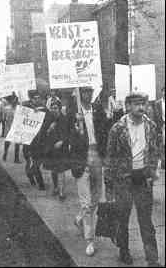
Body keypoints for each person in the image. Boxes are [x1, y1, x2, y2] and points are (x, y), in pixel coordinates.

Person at [104, 92, 162, 267]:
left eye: (143, 103)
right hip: (124, 180)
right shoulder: (117, 128)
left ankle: (152, 259)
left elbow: (155, 149)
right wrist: (109, 185)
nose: (141, 107)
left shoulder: (150, 125)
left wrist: (153, 170)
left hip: (143, 180)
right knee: (123, 219)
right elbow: (110, 157)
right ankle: (124, 251)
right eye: (136, 104)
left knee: (146, 221)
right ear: (128, 106)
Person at [69, 86, 110, 256]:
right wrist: (74, 125)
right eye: (85, 92)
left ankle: (80, 219)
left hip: (97, 157)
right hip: (81, 159)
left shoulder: (98, 110)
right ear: (79, 93)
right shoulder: (72, 113)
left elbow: (105, 132)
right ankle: (90, 240)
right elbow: (65, 137)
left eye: (90, 92)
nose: (88, 94)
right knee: (86, 203)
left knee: (95, 198)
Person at [22, 90, 52, 191]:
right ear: (31, 99)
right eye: (35, 98)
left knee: (37, 162)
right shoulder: (26, 109)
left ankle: (41, 183)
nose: (37, 100)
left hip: (40, 141)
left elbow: (50, 119)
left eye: (39, 98)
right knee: (30, 161)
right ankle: (31, 177)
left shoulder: (44, 110)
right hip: (29, 141)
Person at [43, 98, 70, 200]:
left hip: (62, 149)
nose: (54, 110)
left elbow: (68, 133)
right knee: (53, 170)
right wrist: (49, 129)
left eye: (55, 108)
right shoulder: (49, 119)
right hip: (52, 149)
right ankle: (55, 187)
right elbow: (44, 132)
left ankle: (62, 192)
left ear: (59, 109)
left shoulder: (64, 119)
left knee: (61, 170)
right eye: (52, 108)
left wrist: (62, 141)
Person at [154, 86, 165, 169]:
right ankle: (163, 163)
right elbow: (156, 116)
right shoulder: (158, 103)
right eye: (164, 91)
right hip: (162, 126)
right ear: (162, 92)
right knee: (162, 144)